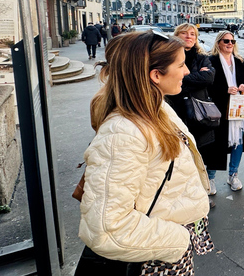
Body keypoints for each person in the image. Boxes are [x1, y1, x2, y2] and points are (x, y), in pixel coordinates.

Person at [75, 30, 211, 275]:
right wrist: (179, 241)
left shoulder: (156, 109)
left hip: (160, 250)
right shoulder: (124, 134)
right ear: (156, 75)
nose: (187, 71)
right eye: (180, 65)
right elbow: (108, 229)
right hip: (149, 261)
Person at [206, 30, 244, 192]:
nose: (230, 44)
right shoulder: (211, 60)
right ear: (218, 43)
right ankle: (210, 178)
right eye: (226, 41)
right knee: (217, 142)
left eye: (232, 41)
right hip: (220, 107)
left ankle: (233, 175)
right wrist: (225, 89)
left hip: (239, 105)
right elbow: (208, 84)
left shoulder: (239, 60)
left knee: (239, 140)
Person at [166, 24, 217, 194]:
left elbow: (209, 77)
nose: (189, 36)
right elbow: (167, 78)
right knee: (177, 157)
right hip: (175, 110)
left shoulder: (202, 57)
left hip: (198, 114)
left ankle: (199, 194)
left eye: (193, 34)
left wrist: (183, 77)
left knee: (199, 155)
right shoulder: (168, 56)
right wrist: (195, 78)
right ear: (176, 35)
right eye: (184, 33)